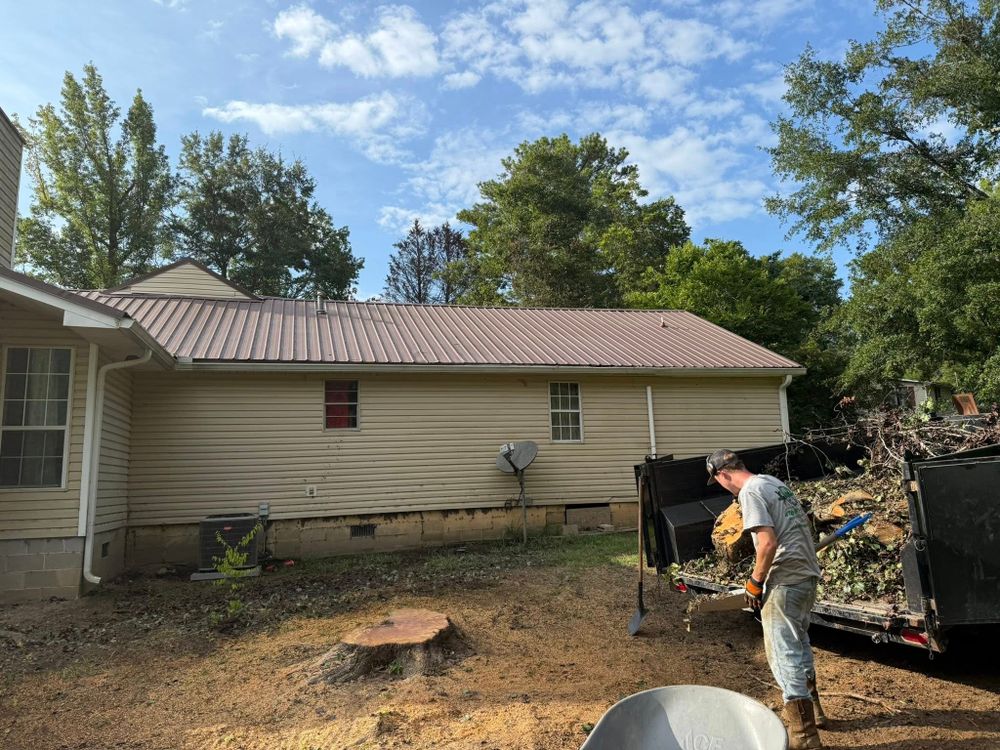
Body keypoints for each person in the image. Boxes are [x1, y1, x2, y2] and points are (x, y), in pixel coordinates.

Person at [706, 448, 826, 750]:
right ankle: (816, 712)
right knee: (799, 643)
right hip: (806, 575)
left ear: (722, 474)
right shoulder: (773, 483)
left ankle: (804, 737)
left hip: (784, 579)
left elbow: (768, 543)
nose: (722, 487)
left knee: (782, 654)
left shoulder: (750, 492)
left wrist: (755, 582)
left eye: (718, 481)